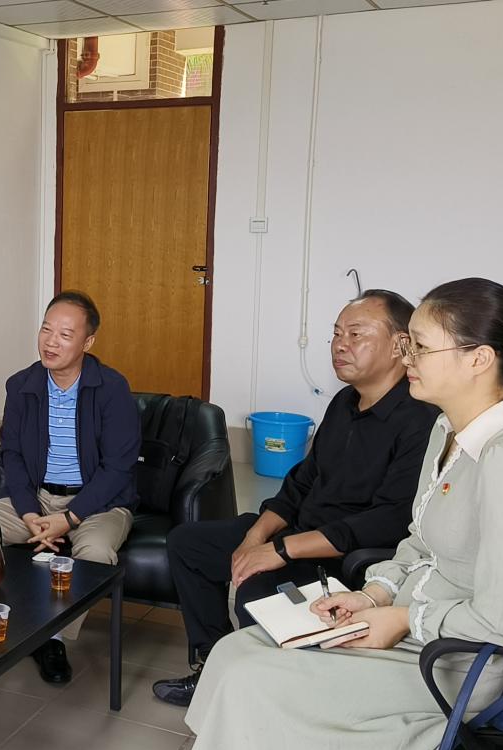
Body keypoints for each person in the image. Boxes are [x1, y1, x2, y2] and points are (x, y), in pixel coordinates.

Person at [186, 278, 503, 750]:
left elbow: (498, 619)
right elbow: (416, 543)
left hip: (459, 654)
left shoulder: (500, 459)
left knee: (261, 680)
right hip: (408, 615)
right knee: (236, 654)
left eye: (420, 346)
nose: (408, 357)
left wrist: (402, 619)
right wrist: (371, 593)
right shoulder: (446, 432)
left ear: (478, 358)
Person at [153, 290, 438, 706]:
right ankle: (213, 668)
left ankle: (263, 697)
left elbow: (389, 520)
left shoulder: (421, 419)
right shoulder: (343, 402)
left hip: (344, 557)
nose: (340, 345)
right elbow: (302, 481)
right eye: (336, 334)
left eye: (355, 334)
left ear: (400, 345)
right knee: (188, 544)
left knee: (257, 591)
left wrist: (280, 551)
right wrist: (255, 537)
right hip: (298, 536)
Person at [0, 290, 140, 685]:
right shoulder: (22, 385)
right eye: (46, 330)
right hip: (38, 497)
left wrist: (71, 517)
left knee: (95, 552)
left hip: (99, 502)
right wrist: (30, 512)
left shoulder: (112, 388)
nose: (51, 342)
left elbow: (118, 468)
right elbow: (12, 455)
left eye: (65, 334)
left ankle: (52, 638)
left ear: (88, 342)